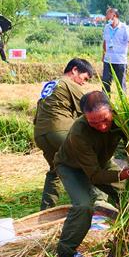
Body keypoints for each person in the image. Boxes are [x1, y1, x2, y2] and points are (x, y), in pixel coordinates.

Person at [53, 91, 129, 257]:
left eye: (105, 120)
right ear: (84, 117)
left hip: (102, 162)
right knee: (83, 206)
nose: (102, 127)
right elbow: (94, 176)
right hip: (72, 168)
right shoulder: (78, 132)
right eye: (93, 123)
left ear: (112, 110)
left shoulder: (123, 118)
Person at [33, 58, 95, 210]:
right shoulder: (69, 84)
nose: (84, 83)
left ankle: (46, 212)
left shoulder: (51, 84)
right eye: (84, 78)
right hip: (59, 130)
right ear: (74, 70)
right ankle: (97, 208)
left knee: (55, 171)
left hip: (40, 134)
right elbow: (92, 109)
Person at [101, 7, 129, 94]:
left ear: (114, 15)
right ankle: (105, 103)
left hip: (120, 61)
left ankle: (123, 103)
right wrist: (103, 55)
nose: (106, 18)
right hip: (108, 60)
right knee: (105, 82)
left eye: (107, 15)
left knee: (121, 84)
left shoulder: (124, 28)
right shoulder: (106, 27)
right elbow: (105, 42)